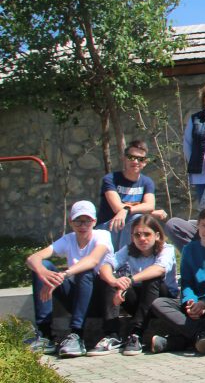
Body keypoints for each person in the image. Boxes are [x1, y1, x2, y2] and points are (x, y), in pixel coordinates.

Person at [25, 201, 115, 357]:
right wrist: (43, 273)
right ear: (71, 222)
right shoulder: (68, 239)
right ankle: (45, 335)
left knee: (84, 272)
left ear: (94, 222)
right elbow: (32, 259)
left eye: (87, 221)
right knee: (43, 265)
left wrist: (64, 275)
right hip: (75, 296)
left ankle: (77, 335)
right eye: (78, 221)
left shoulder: (103, 235)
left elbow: (92, 261)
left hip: (99, 299)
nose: (83, 225)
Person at [149, 206, 205, 354]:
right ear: (198, 224)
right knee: (159, 303)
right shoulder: (189, 249)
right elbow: (187, 281)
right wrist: (190, 301)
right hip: (195, 303)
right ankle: (201, 334)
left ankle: (179, 341)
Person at [96, 215, 178, 356]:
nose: (142, 239)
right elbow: (106, 265)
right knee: (111, 279)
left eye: (147, 234)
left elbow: (159, 269)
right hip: (139, 301)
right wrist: (114, 282)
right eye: (137, 235)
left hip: (162, 300)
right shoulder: (128, 250)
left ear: (157, 235)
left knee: (151, 278)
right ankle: (112, 335)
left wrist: (129, 280)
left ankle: (136, 334)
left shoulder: (166, 249)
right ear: (132, 237)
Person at [96, 139, 165, 247]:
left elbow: (150, 205)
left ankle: (128, 255)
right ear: (124, 158)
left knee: (137, 220)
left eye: (140, 159)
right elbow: (117, 208)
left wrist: (126, 210)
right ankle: (126, 256)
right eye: (131, 157)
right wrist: (149, 212)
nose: (135, 162)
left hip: (129, 225)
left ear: (145, 162)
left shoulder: (147, 182)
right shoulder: (110, 179)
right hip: (108, 227)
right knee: (137, 218)